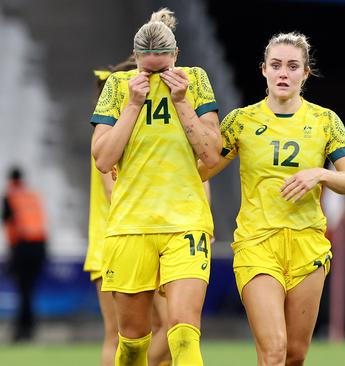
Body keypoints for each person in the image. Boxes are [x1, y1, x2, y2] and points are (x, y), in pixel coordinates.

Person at [199, 32, 345, 366]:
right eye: (276, 65)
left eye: (292, 66)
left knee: (294, 356)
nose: (283, 73)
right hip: (257, 244)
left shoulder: (325, 121)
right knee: (274, 350)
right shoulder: (241, 121)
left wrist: (320, 174)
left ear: (305, 73)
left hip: (307, 245)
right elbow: (201, 170)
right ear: (263, 71)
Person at [90, 8, 221, 366]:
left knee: (182, 329)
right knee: (132, 341)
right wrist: (133, 105)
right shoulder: (118, 88)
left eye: (162, 68)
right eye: (148, 69)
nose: (156, 75)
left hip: (185, 225)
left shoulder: (194, 81)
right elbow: (103, 159)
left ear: (176, 57)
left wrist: (182, 103)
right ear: (136, 62)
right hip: (132, 226)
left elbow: (212, 155)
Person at [86, 57, 171, 366]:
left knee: (162, 328)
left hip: (135, 238)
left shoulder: (122, 134)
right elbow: (114, 191)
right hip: (121, 240)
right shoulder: (112, 139)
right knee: (123, 334)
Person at [2, 167, 47, 342]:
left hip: (22, 248)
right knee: (29, 290)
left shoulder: (10, 197)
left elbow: (7, 222)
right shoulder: (32, 196)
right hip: (39, 247)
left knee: (23, 290)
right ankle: (28, 328)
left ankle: (23, 331)